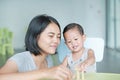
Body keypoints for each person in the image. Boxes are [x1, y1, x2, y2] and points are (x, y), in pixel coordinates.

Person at [0, 14, 73, 80]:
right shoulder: (20, 59)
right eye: (51, 36)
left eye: (58, 36)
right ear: (36, 36)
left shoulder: (48, 60)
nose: (56, 40)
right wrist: (45, 73)